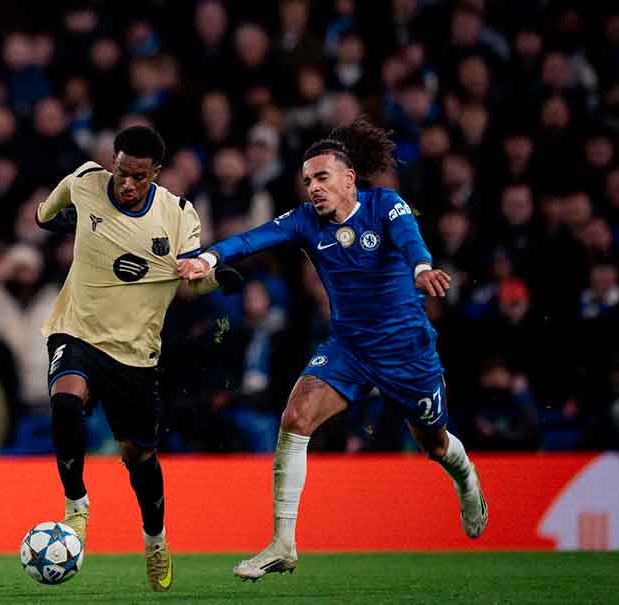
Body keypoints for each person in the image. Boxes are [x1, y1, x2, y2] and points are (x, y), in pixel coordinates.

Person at [179, 117, 488, 581]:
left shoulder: (386, 205)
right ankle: (283, 542)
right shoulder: (306, 221)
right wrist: (209, 257)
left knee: (434, 444)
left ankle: (466, 479)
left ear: (349, 179)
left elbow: (410, 242)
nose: (314, 189)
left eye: (322, 178)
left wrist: (423, 267)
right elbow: (253, 238)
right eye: (307, 181)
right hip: (348, 347)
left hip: (405, 349)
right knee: (295, 417)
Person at [36, 125, 232, 592]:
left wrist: (213, 273)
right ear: (113, 160)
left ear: (156, 173)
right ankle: (76, 506)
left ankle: (156, 540)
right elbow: (46, 214)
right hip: (76, 329)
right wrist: (65, 220)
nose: (126, 184)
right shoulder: (84, 181)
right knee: (64, 400)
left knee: (138, 457)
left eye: (138, 177)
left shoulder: (179, 214)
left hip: (135, 355)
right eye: (121, 172)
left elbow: (198, 281)